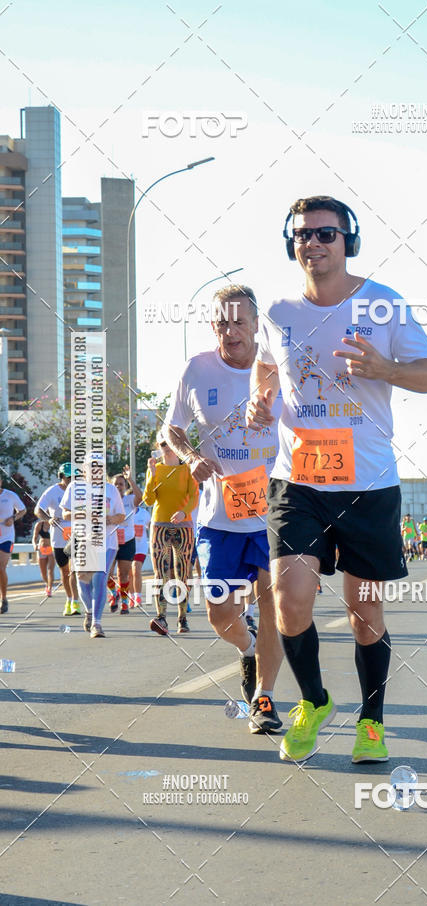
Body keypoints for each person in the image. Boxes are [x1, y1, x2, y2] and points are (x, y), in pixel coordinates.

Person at [246, 194, 427, 762]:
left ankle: (372, 721)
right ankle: (314, 701)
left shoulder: (383, 305)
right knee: (289, 601)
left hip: (368, 482)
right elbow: (266, 365)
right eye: (302, 234)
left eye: (325, 233)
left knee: (365, 614)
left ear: (348, 241)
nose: (312, 243)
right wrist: (260, 399)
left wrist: (386, 369)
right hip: (297, 480)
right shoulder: (278, 311)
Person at [164, 285, 285, 735]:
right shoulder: (197, 369)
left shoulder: (280, 367)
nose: (230, 331)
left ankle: (264, 698)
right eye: (221, 323)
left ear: (256, 325)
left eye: (239, 322)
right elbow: (172, 429)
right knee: (220, 613)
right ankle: (247, 647)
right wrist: (192, 457)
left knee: (274, 605)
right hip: (220, 516)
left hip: (276, 511)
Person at [142, 433, 198, 634]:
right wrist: (152, 474)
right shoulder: (155, 468)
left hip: (183, 525)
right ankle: (161, 617)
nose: (166, 446)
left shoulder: (188, 468)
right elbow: (148, 500)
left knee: (182, 571)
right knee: (161, 572)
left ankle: (182, 618)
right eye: (162, 443)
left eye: (169, 443)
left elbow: (194, 496)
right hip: (160, 525)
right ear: (158, 446)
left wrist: (184, 512)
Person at [60, 464, 125, 638]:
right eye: (92, 467)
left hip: (107, 541)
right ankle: (89, 611)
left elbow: (121, 516)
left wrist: (110, 519)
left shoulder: (111, 490)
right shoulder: (75, 487)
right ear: (85, 470)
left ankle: (97, 623)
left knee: (100, 579)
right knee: (82, 581)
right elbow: (65, 514)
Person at [35, 463, 80, 615]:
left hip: (76, 534)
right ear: (61, 477)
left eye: (75, 477)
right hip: (58, 537)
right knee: (65, 570)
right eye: (69, 477)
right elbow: (38, 510)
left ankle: (76, 602)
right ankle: (69, 599)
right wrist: (48, 519)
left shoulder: (79, 491)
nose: (72, 479)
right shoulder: (52, 491)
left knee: (74, 569)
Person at [107, 466, 142, 614]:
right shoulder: (107, 500)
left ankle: (125, 602)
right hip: (110, 540)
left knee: (123, 574)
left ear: (125, 487)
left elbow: (140, 498)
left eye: (121, 484)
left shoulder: (129, 500)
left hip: (127, 541)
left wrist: (130, 480)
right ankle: (114, 592)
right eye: (115, 484)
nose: (118, 486)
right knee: (107, 572)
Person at [0, 475, 27, 613]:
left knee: (1, 567)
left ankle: (4, 599)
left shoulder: (10, 495)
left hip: (6, 537)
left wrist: (13, 518)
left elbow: (23, 510)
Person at [131, 503, 151, 608]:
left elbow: (151, 526)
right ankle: (131, 597)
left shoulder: (144, 513)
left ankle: (138, 597)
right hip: (127, 547)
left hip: (140, 548)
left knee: (136, 569)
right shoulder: (123, 512)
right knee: (129, 574)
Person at [32, 519, 55, 596]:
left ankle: (50, 588)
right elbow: (34, 537)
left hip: (51, 549)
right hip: (42, 549)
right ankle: (47, 584)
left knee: (50, 570)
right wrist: (34, 545)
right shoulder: (39, 524)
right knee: (43, 572)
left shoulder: (54, 523)